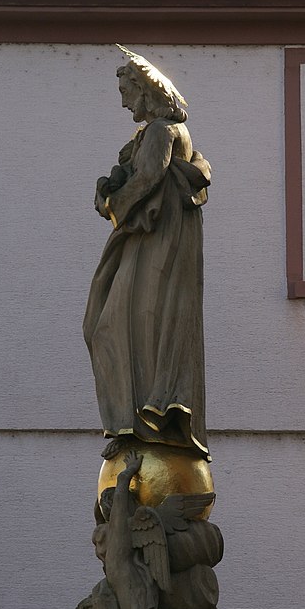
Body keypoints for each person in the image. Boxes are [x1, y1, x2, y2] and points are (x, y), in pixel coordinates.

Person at [83, 46, 212, 461]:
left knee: (116, 326)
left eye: (127, 92)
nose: (124, 103)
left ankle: (142, 417)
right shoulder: (151, 133)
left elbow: (147, 180)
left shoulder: (161, 132)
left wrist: (112, 204)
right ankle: (135, 419)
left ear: (146, 90)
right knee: (122, 326)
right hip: (150, 241)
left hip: (157, 242)